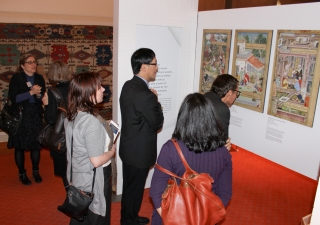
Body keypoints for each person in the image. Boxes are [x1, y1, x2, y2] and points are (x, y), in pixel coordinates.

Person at [149, 93, 232, 225]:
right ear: (212, 118)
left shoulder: (171, 149)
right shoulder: (224, 153)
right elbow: (225, 194)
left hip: (171, 216)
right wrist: (206, 218)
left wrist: (174, 220)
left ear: (183, 118)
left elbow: (156, 193)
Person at [119, 48, 164, 225]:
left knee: (131, 189)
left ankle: (130, 217)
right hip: (139, 153)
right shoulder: (146, 95)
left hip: (129, 148)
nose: (157, 68)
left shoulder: (128, 85)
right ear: (144, 66)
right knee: (134, 189)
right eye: (154, 63)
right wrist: (157, 102)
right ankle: (128, 221)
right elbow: (157, 123)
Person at [64, 72, 116, 225]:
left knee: (80, 214)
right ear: (88, 93)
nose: (103, 90)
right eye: (99, 87)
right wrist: (111, 152)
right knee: (97, 217)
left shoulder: (72, 115)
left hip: (77, 174)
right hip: (93, 177)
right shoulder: (91, 122)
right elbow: (96, 160)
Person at [7, 54, 46, 185]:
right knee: (20, 146)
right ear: (22, 65)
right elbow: (14, 98)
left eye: (34, 62)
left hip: (35, 114)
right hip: (21, 115)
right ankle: (22, 173)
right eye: (29, 62)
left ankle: (36, 171)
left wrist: (40, 95)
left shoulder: (39, 78)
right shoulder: (17, 78)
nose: (33, 64)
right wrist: (30, 93)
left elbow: (41, 99)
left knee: (36, 145)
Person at [42, 60, 71, 187]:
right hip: (77, 131)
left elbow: (51, 119)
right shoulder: (76, 87)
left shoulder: (53, 92)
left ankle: (72, 199)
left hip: (61, 136)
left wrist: (46, 105)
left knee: (64, 169)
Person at [204, 74, 239, 150]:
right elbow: (222, 147)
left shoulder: (205, 96)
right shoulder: (222, 109)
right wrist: (226, 146)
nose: (236, 96)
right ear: (229, 93)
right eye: (236, 93)